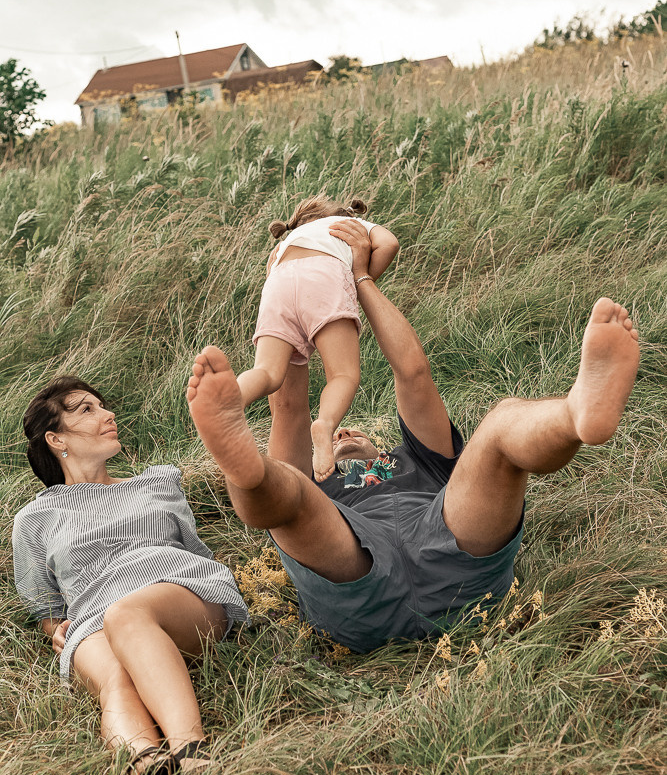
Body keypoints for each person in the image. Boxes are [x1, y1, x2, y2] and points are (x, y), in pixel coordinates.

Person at [186, 220, 640, 654]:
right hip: (355, 576)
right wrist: (292, 314)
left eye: (351, 433)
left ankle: (576, 413)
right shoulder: (321, 475)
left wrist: (359, 278)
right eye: (336, 438)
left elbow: (413, 373)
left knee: (501, 422)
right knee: (291, 489)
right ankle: (242, 467)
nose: (341, 434)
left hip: (452, 544)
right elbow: (288, 407)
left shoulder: (426, 460)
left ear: (380, 449)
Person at [13, 376, 249, 775]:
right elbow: (46, 606)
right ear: (56, 439)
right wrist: (55, 630)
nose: (108, 415)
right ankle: (143, 762)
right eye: (87, 409)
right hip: (94, 619)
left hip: (176, 591)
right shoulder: (34, 519)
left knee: (126, 614)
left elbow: (197, 555)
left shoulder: (158, 483)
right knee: (114, 677)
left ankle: (189, 750)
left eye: (102, 406)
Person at [237, 194, 398, 481]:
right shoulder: (347, 223)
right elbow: (390, 244)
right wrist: (358, 282)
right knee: (342, 375)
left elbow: (275, 274)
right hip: (324, 279)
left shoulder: (285, 244)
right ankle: (324, 426)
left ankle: (233, 397)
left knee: (267, 371)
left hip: (276, 283)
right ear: (341, 214)